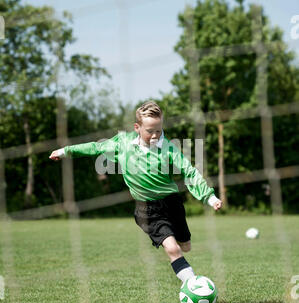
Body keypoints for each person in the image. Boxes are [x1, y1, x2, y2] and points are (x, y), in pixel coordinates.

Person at [49, 101, 222, 283]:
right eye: (150, 131)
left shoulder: (169, 148)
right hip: (147, 209)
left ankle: (185, 262)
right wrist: (64, 151)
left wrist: (209, 197)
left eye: (159, 130)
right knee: (173, 249)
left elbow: (190, 171)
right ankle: (192, 284)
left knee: (185, 246)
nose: (155, 135)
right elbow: (95, 147)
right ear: (137, 127)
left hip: (172, 203)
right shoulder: (123, 143)